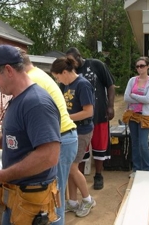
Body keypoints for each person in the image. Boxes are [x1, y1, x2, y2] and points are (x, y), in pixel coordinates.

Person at [0, 44, 61, 225]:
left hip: (31, 202)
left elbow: (49, 156)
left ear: (8, 70)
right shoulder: (19, 98)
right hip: (19, 199)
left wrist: (1, 175)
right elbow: (16, 140)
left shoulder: (36, 103)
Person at [20, 49, 78, 225]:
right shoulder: (36, 74)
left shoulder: (32, 79)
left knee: (54, 195)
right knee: (56, 193)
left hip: (61, 139)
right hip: (63, 137)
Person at [51, 56, 96, 218]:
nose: (57, 80)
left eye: (57, 76)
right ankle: (72, 202)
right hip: (70, 130)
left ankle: (88, 199)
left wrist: (66, 118)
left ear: (65, 71)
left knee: (71, 168)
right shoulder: (66, 85)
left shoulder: (83, 85)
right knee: (69, 167)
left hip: (82, 130)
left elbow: (88, 111)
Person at [65, 47, 115, 190]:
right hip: (79, 119)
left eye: (72, 61)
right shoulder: (68, 72)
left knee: (100, 146)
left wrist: (110, 106)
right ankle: (78, 175)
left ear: (79, 57)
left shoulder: (96, 65)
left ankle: (98, 175)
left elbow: (110, 85)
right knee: (81, 149)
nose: (71, 64)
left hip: (99, 113)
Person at [124, 57, 149, 176]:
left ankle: (147, 169)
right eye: (137, 66)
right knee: (135, 143)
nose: (139, 68)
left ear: (148, 66)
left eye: (142, 66)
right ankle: (136, 168)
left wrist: (134, 96)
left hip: (145, 116)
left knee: (143, 143)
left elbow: (148, 99)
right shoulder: (132, 80)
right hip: (132, 115)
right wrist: (140, 99)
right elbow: (126, 97)